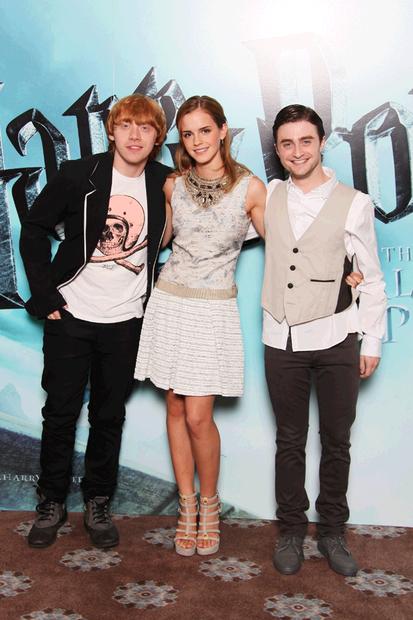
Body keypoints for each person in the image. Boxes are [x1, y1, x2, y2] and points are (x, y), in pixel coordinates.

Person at [19, 94, 172, 549]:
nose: (134, 135)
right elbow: (34, 229)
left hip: (126, 319)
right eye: (126, 125)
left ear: (158, 137)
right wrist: (45, 294)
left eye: (145, 128)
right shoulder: (77, 174)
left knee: (109, 415)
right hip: (71, 313)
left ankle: (98, 501)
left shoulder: (166, 183)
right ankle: (51, 502)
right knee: (60, 412)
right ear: (111, 130)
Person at [135, 95, 266, 556]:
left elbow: (287, 246)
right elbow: (157, 241)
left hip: (212, 310)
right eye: (188, 134)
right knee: (174, 408)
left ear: (223, 130)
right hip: (171, 302)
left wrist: (346, 268)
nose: (197, 141)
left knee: (197, 416)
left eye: (205, 130)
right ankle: (185, 506)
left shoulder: (251, 188)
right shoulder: (173, 185)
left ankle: (209, 505)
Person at [262, 104, 387, 577]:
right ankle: (291, 530)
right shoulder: (269, 194)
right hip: (281, 337)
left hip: (337, 338)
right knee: (289, 440)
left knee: (337, 440)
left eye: (306, 141)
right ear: (277, 150)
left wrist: (371, 341)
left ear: (321, 143)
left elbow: (370, 276)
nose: (297, 151)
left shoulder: (354, 203)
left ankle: (332, 531)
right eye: (287, 143)